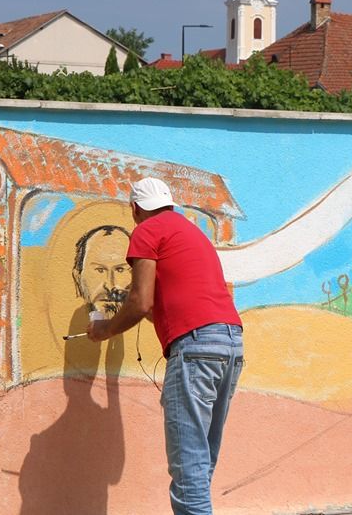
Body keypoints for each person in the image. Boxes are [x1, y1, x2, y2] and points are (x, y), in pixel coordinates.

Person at [87, 177, 243, 515]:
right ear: (170, 203)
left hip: (197, 348)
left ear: (135, 209)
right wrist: (127, 313)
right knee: (200, 463)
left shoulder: (147, 230)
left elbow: (141, 302)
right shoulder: (189, 232)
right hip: (229, 342)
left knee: (189, 468)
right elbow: (161, 308)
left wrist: (104, 331)